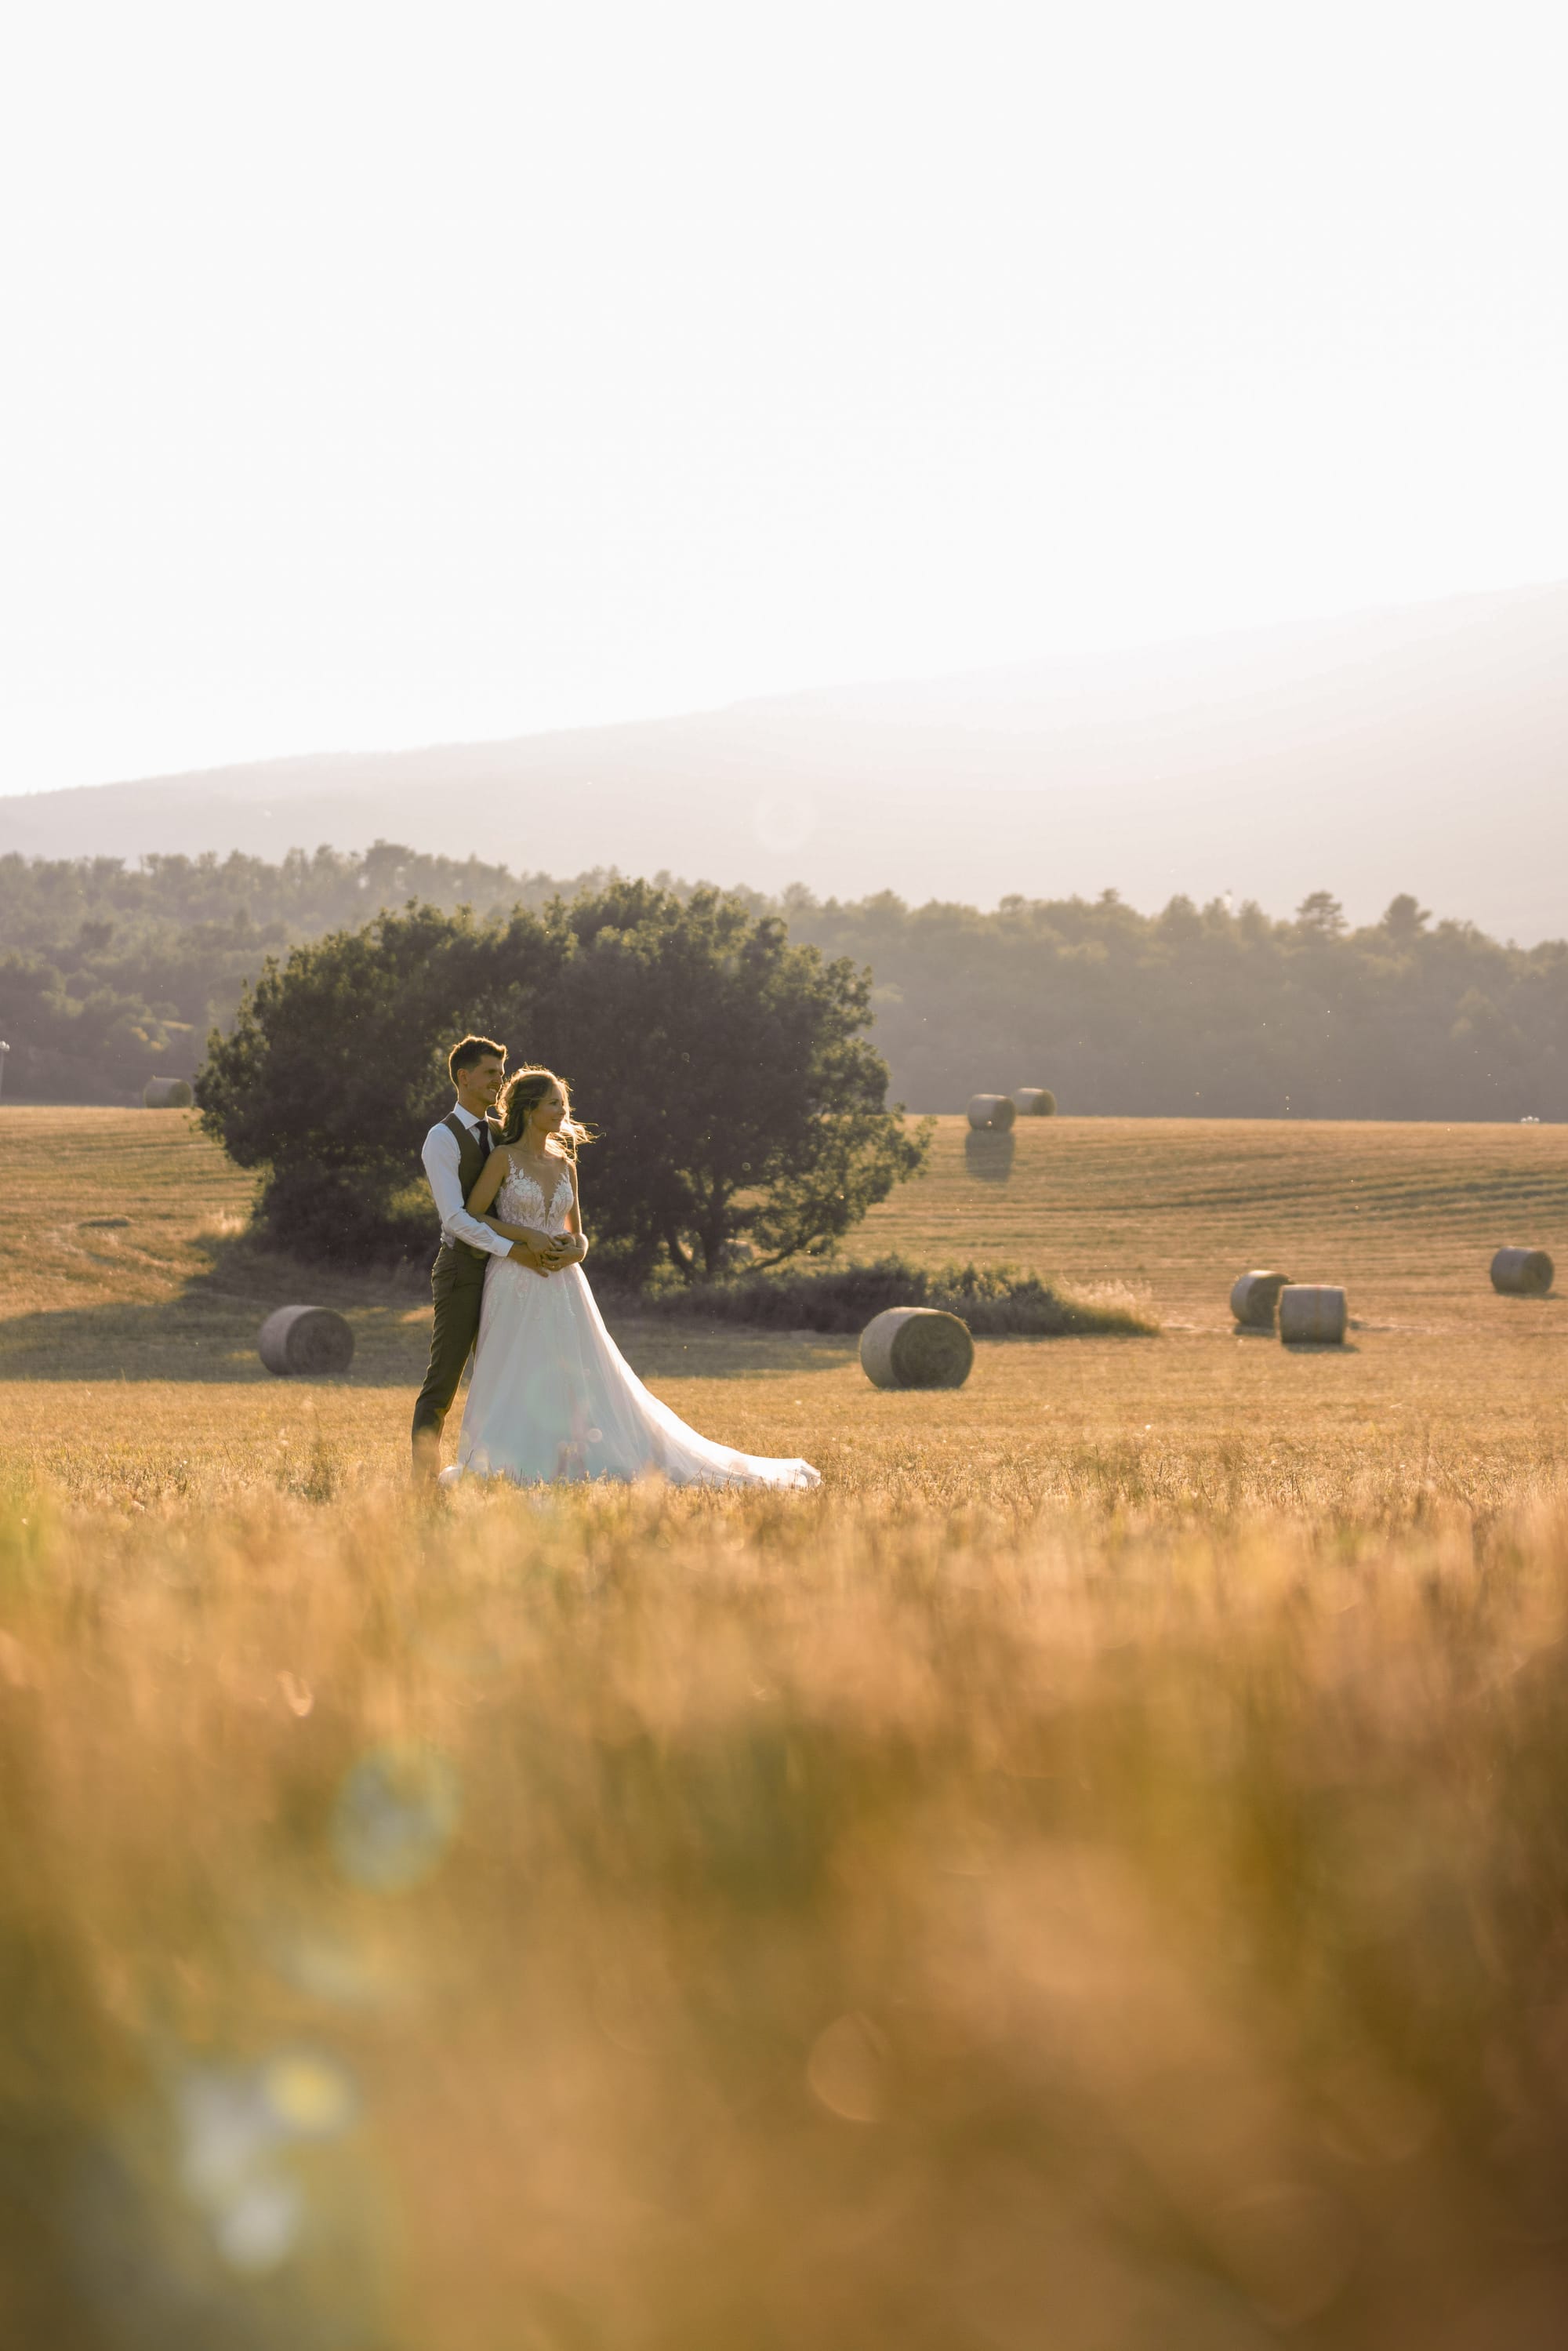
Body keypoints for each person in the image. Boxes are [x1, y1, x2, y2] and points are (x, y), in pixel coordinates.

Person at [440, 1065, 819, 1490]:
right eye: (553, 1103)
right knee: (515, 1367)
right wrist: (527, 1236)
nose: (562, 1110)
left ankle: (581, 1453)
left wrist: (577, 1249)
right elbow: (474, 1211)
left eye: (563, 1104)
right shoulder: (504, 1158)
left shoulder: (565, 1163)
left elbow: (578, 1231)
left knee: (577, 1371)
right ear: (529, 1110)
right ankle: (510, 1457)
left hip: (564, 1282)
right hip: (515, 1277)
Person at [411, 1035, 569, 1481]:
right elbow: (455, 1219)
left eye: (502, 1075)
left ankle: (506, 1470)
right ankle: (422, 1486)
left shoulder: (503, 1134)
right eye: (489, 1074)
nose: (499, 1083)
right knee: (442, 1384)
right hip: (464, 1270)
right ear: (463, 1077)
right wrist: (516, 1249)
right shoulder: (440, 1138)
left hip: (510, 1276)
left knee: (506, 1378)